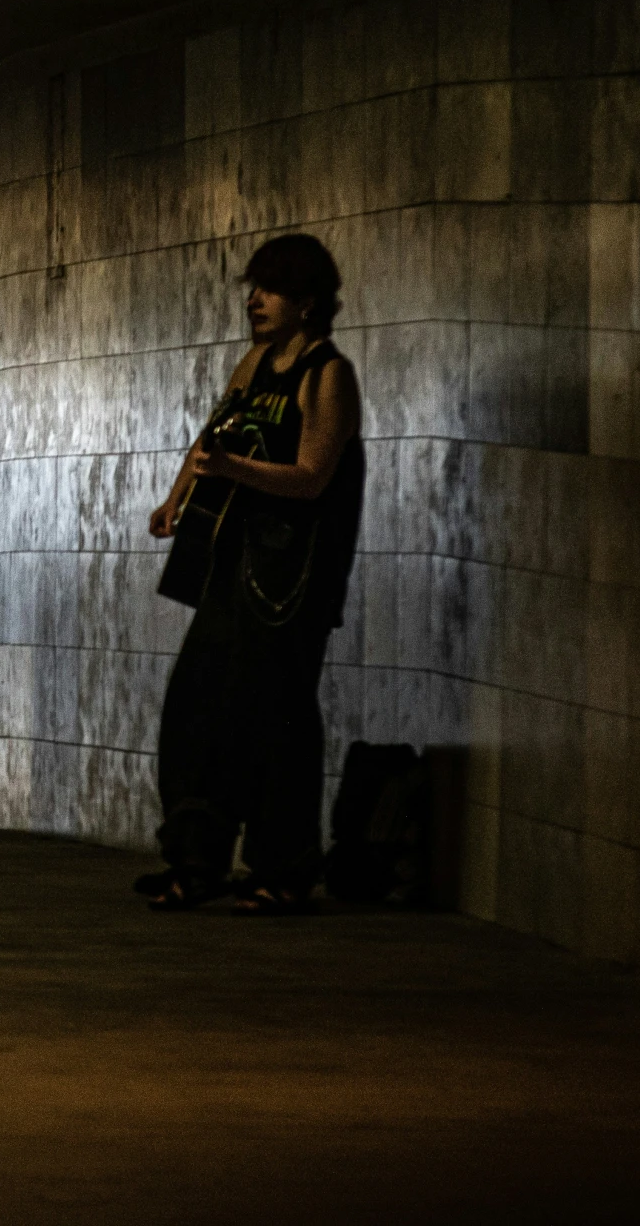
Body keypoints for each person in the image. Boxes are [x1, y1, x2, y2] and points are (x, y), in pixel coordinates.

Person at [144, 233, 365, 916]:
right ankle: (196, 857)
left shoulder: (327, 374)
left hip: (290, 577)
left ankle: (284, 866)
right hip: (232, 565)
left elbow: (312, 475)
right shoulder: (254, 364)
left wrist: (236, 471)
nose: (254, 300)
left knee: (279, 717)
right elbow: (213, 438)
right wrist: (177, 494)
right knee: (197, 705)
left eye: (269, 290)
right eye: (254, 288)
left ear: (306, 302)